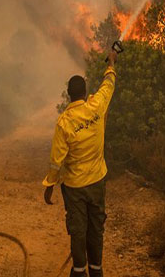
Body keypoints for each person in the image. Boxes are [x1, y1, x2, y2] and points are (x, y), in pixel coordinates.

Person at [43, 50, 119, 277]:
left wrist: (49, 186)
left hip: (75, 187)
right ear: (85, 93)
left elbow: (56, 160)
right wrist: (111, 64)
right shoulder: (96, 106)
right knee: (96, 227)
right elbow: (109, 85)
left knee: (78, 229)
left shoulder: (64, 122)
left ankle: (79, 271)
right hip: (97, 183)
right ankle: (96, 270)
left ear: (68, 95)